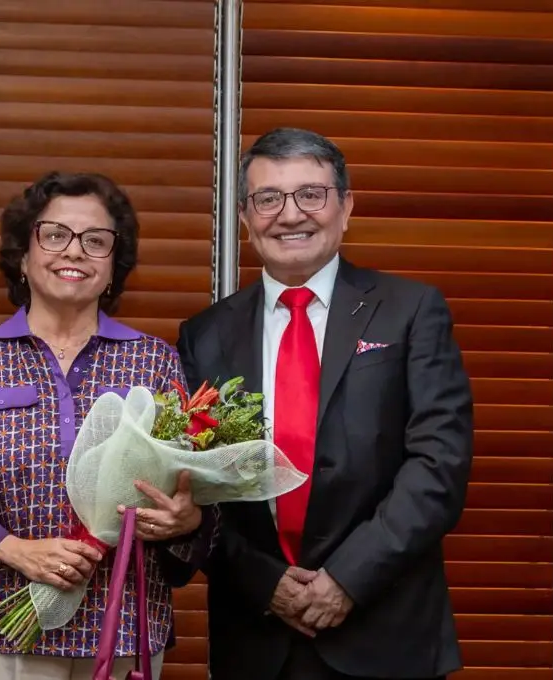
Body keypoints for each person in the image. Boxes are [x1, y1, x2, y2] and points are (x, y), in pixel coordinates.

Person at [172, 127, 474, 680]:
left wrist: (347, 579)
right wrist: (266, 583)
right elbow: (195, 488)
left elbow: (439, 467)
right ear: (244, 215)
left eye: (310, 194)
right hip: (257, 638)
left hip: (386, 630)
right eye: (269, 199)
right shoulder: (205, 335)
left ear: (345, 206)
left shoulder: (410, 311)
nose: (290, 215)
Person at [0, 171, 215, 680]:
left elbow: (194, 486)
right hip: (7, 623)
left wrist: (186, 520)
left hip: (124, 624)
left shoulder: (155, 364)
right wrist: (17, 551)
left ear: (114, 267)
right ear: (23, 257)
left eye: (96, 242)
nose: (75, 252)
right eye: (54, 235)